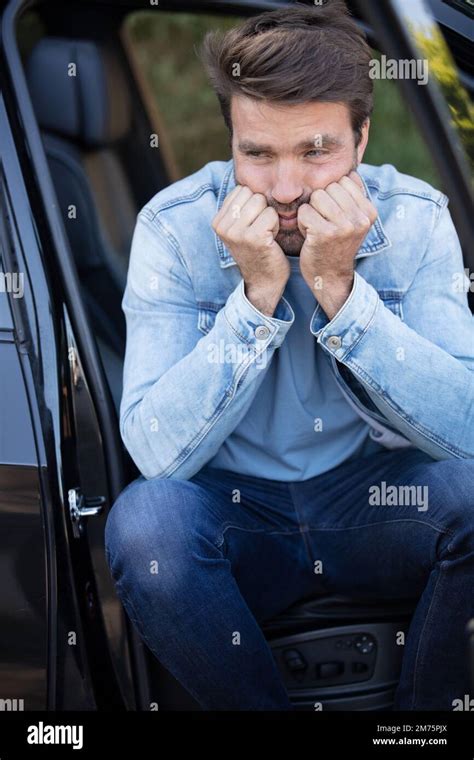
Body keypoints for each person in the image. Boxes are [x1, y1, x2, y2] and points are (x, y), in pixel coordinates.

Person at [105, 1, 474, 710]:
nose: (283, 190)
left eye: (315, 151)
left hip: (370, 499)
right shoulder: (174, 229)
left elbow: (462, 434)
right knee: (148, 521)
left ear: (362, 140)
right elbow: (156, 455)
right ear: (230, 141)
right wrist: (256, 299)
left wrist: (342, 291)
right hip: (236, 513)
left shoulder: (416, 216)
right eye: (258, 153)